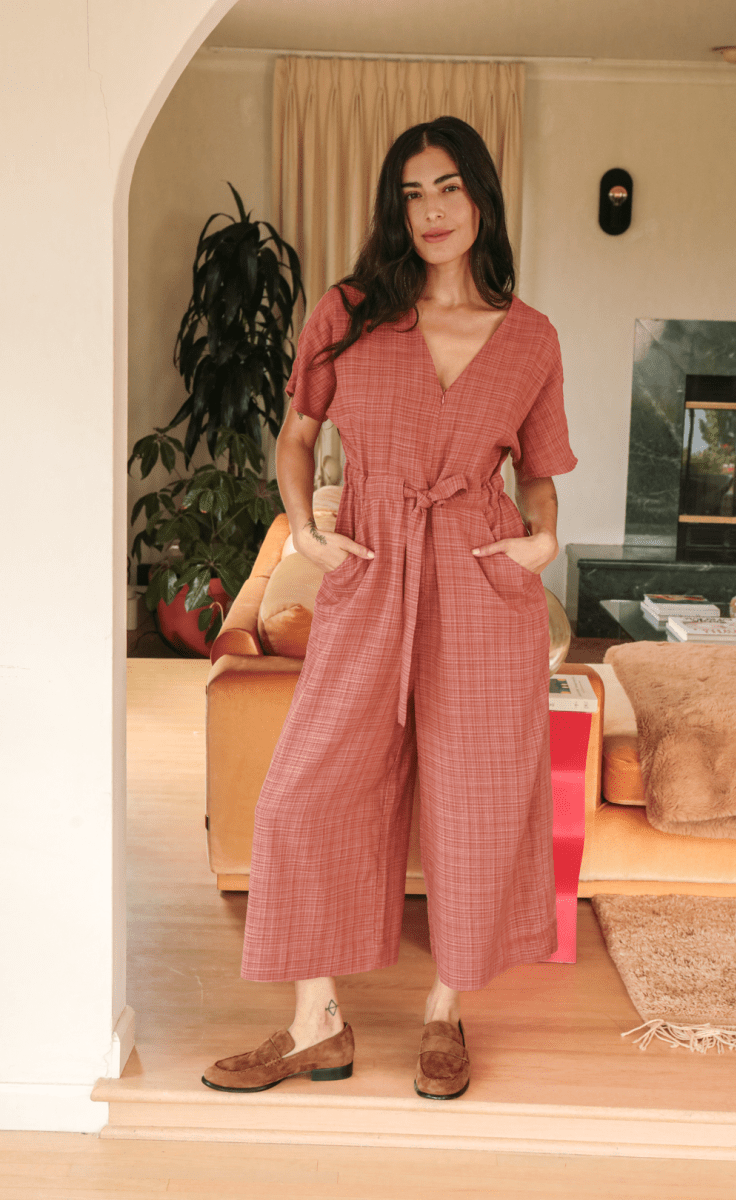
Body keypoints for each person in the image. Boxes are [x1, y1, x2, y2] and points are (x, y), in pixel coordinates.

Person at [202, 116, 577, 1100]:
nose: (431, 211)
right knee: (301, 794)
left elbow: (539, 474)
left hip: (480, 579)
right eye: (411, 194)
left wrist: (541, 540)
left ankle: (444, 1014)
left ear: (481, 196)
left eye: (447, 187)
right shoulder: (350, 314)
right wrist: (304, 528)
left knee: (473, 803)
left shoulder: (530, 337)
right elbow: (297, 437)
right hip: (371, 571)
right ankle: (315, 1024)